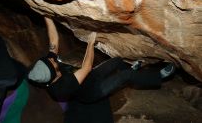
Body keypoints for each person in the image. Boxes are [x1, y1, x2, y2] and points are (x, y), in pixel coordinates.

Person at [28, 16, 176, 123]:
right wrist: (90, 43)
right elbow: (86, 66)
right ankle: (158, 76)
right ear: (53, 75)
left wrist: (45, 16)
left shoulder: (48, 64)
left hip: (89, 77)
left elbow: (53, 40)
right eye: (53, 63)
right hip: (93, 92)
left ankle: (133, 69)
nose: (53, 60)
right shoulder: (61, 88)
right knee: (124, 77)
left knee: (116, 62)